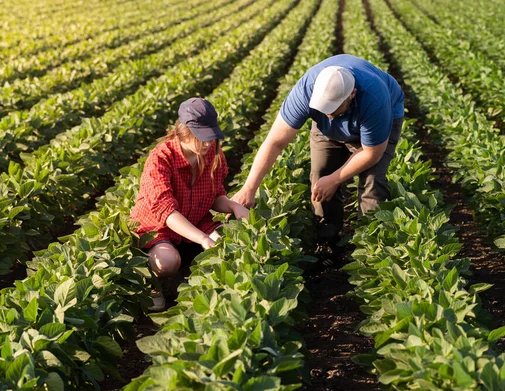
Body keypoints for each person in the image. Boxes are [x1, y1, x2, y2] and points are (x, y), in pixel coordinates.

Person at [232, 54, 404, 256]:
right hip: (327, 132)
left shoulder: (375, 98)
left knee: (372, 183)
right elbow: (275, 142)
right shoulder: (306, 90)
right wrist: (249, 188)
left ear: (352, 94)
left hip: (375, 129)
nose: (328, 115)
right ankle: (327, 240)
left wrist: (335, 180)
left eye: (332, 110)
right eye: (323, 109)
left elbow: (371, 154)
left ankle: (371, 248)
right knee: (319, 178)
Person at [131, 98, 249, 311]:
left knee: (232, 244)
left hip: (196, 219)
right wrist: (202, 238)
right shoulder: (160, 159)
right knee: (166, 262)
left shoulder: (212, 153)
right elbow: (167, 212)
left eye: (210, 137)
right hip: (160, 228)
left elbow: (215, 196)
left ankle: (194, 278)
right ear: (183, 132)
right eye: (201, 138)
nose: (207, 143)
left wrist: (234, 206)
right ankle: (152, 283)